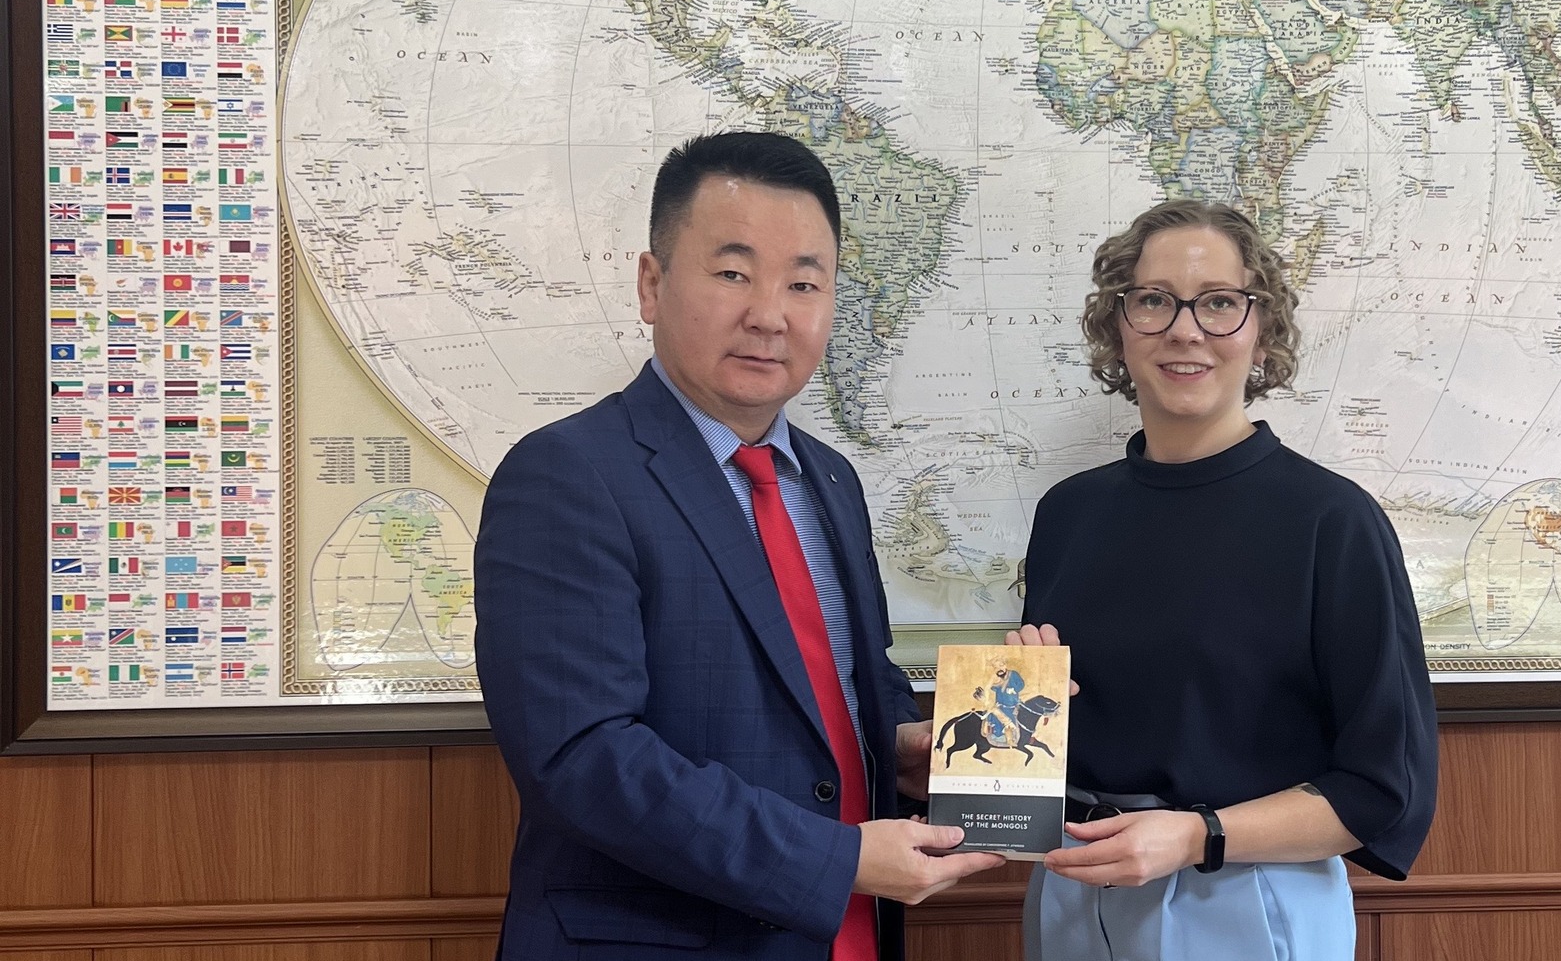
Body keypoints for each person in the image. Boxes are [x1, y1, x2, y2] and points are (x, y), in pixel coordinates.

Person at [476, 132, 1002, 960]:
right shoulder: (567, 474)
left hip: (846, 935)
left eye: (803, 281)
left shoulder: (830, 481)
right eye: (732, 273)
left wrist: (902, 747)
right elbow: (583, 756)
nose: (768, 312)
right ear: (652, 284)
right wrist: (835, 856)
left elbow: (836, 696)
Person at [1012, 198, 1438, 959]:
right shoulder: (1067, 513)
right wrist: (1028, 708)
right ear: (1119, 327)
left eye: (1219, 303)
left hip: (1248, 893)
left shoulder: (1332, 523)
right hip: (1074, 889)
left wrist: (1197, 836)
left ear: (1262, 331)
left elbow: (1382, 786)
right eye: (1153, 300)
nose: (1185, 328)